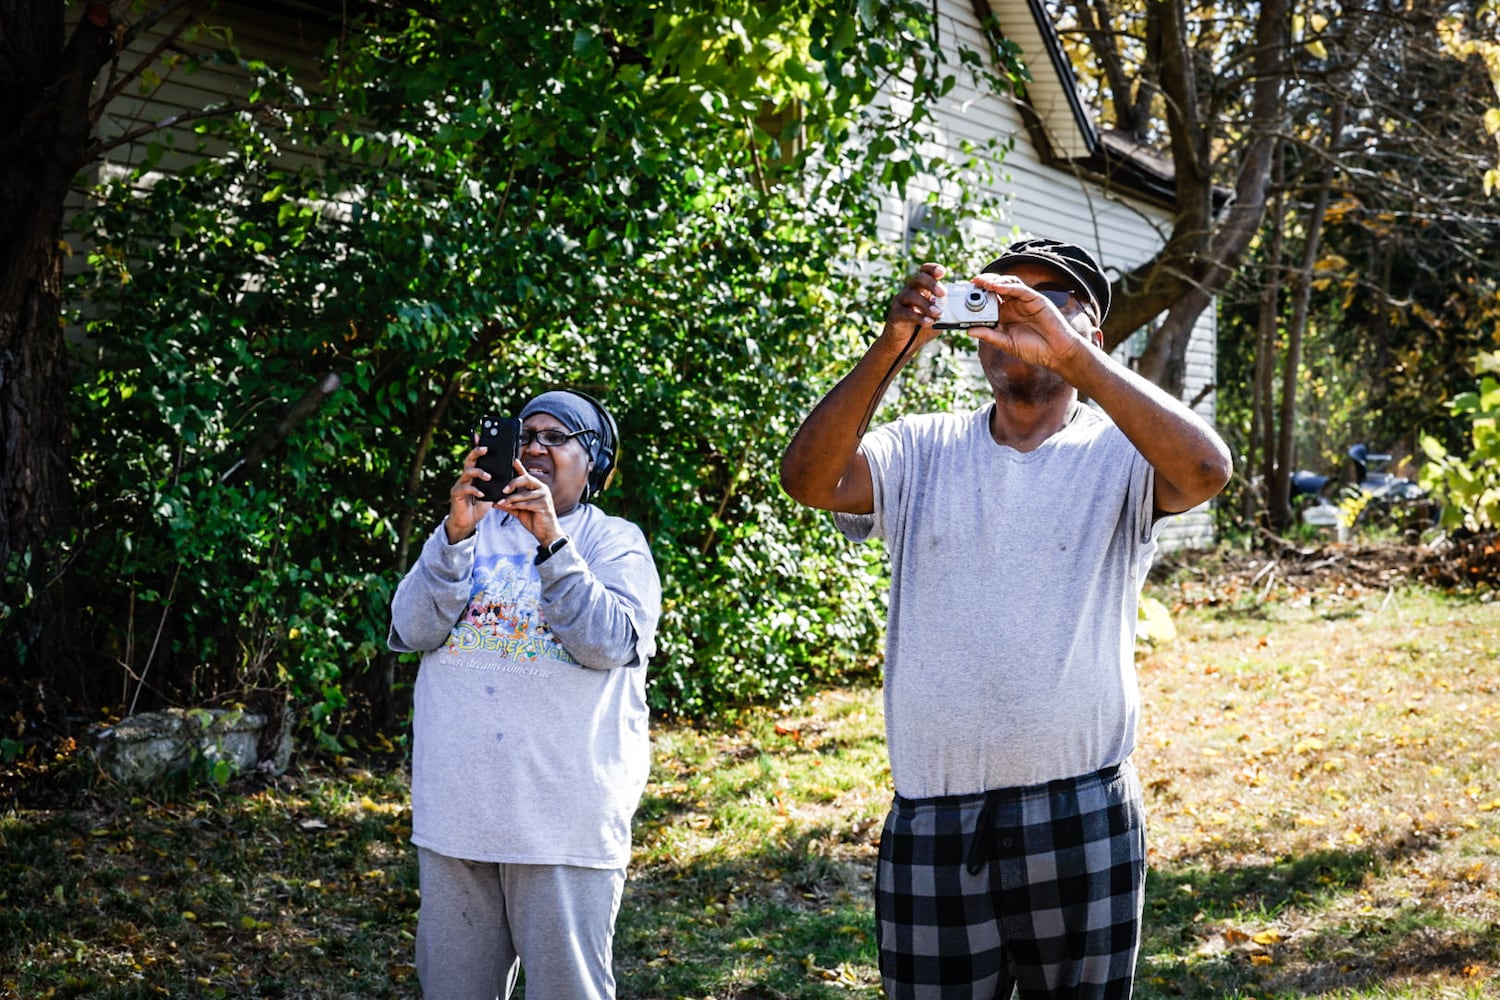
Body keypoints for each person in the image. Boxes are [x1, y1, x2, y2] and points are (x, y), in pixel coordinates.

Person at [779, 238, 1231, 999]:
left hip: (1082, 808)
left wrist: (1074, 358)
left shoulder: (1119, 453)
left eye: (1052, 299)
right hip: (933, 814)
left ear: (1091, 329)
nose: (1023, 311)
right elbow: (810, 479)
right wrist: (892, 346)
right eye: (1002, 297)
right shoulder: (924, 446)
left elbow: (1206, 471)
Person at [389, 388, 661, 1000]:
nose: (534, 447)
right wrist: (455, 535)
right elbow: (411, 628)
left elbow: (608, 643)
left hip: (562, 825)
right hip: (457, 820)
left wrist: (552, 543)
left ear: (594, 459)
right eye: (524, 434)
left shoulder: (613, 541)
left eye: (555, 437)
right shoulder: (465, 533)